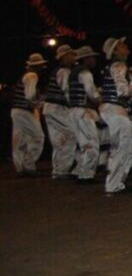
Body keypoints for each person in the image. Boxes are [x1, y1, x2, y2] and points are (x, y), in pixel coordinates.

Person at [99, 37, 132, 195]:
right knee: (124, 144)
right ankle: (113, 183)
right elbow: (122, 91)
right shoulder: (119, 65)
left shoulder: (115, 66)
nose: (127, 50)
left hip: (113, 108)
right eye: (124, 47)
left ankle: (118, 180)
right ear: (116, 50)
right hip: (114, 108)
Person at [43, 45, 78, 179]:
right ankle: (62, 170)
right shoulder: (64, 72)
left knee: (58, 139)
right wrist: (74, 104)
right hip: (58, 108)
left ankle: (59, 170)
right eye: (71, 55)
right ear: (64, 57)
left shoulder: (59, 71)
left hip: (51, 107)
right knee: (71, 135)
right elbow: (67, 90)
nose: (73, 58)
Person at [10, 53, 48, 176]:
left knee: (19, 140)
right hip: (25, 110)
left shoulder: (25, 76)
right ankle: (28, 164)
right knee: (38, 137)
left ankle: (20, 167)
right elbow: (30, 95)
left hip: (16, 110)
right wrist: (37, 102)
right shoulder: (32, 76)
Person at [69, 45, 102, 184]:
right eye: (92, 58)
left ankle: (79, 171)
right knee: (91, 143)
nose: (94, 60)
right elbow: (91, 93)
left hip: (73, 111)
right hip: (83, 111)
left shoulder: (73, 73)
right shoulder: (85, 73)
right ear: (87, 59)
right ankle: (86, 174)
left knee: (82, 143)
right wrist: (102, 99)